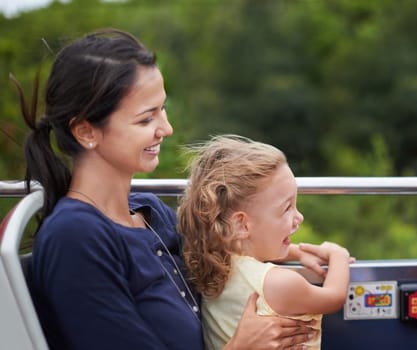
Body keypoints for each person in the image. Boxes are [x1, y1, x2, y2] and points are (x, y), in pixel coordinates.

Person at [15, 28, 317, 349]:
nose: (166, 128)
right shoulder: (75, 237)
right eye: (146, 119)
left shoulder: (150, 211)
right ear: (86, 131)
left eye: (163, 108)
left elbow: (216, 254)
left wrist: (294, 251)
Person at [176, 135, 351, 350]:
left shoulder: (214, 260)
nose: (299, 217)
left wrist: (296, 252)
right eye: (287, 208)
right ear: (241, 224)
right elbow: (334, 297)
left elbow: (250, 249)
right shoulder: (280, 283)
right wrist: (337, 255)